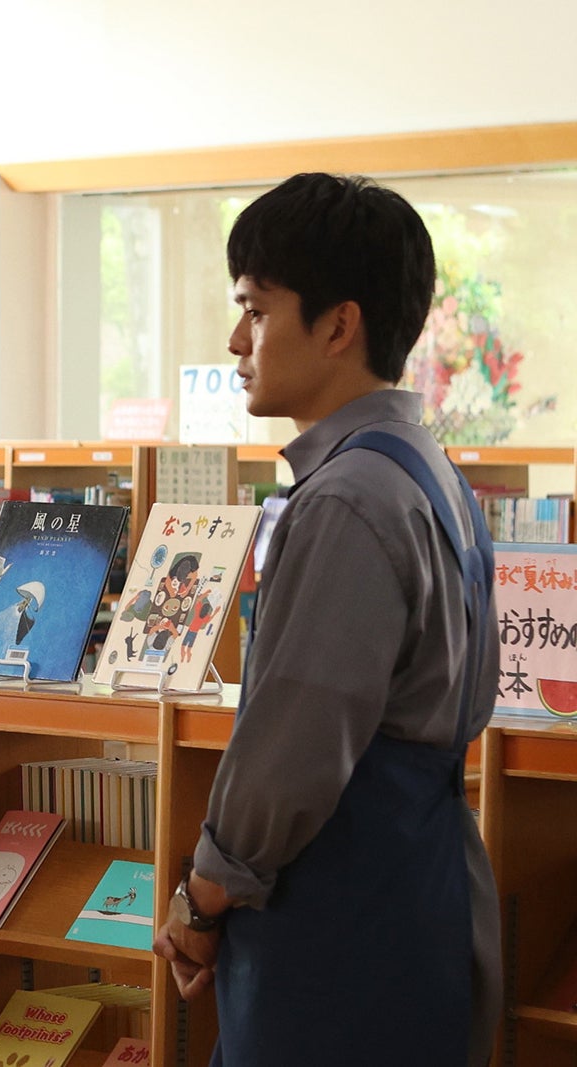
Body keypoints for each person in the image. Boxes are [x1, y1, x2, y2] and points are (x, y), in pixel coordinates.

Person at [153, 172, 501, 1065]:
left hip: (339, 917)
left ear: (339, 325)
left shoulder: (347, 498)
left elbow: (292, 746)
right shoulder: (433, 476)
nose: (237, 340)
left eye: (256, 310)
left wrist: (201, 899)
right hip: (419, 894)